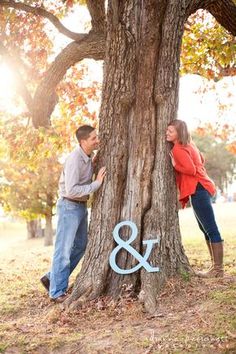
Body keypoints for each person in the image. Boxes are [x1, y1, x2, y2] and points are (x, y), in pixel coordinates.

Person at [40, 125, 106, 302]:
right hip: (69, 206)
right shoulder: (74, 159)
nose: (97, 140)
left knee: (82, 245)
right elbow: (71, 189)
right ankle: (56, 292)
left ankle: (51, 277)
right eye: (93, 138)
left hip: (80, 207)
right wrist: (96, 184)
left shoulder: (87, 156)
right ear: (83, 141)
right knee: (63, 250)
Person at [166, 119, 224, 278]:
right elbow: (202, 160)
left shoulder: (178, 149)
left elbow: (190, 169)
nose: (167, 133)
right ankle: (215, 267)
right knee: (205, 228)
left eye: (171, 131)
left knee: (210, 228)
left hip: (197, 189)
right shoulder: (190, 144)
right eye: (167, 130)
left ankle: (218, 270)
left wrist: (175, 165)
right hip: (202, 187)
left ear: (179, 133)